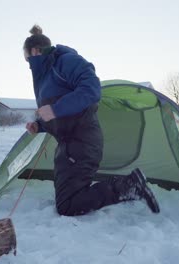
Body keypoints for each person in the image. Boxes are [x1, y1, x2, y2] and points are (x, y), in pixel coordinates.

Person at [23, 25, 160, 216]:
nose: (27, 62)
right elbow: (62, 115)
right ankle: (126, 185)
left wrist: (54, 109)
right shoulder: (45, 77)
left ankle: (129, 186)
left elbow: (91, 90)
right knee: (65, 200)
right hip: (67, 144)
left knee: (67, 206)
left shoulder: (65, 62)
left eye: (26, 57)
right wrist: (39, 125)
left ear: (35, 51)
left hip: (82, 141)